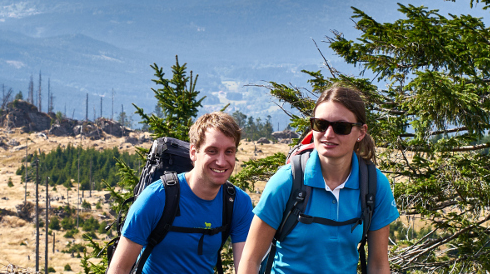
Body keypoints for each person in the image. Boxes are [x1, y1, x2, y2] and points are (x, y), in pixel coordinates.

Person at [236, 85, 399, 274]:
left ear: (361, 133)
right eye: (321, 124)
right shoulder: (287, 181)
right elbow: (250, 260)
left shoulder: (374, 186)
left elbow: (378, 265)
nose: (328, 134)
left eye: (341, 127)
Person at [109, 112, 255, 274]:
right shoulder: (156, 198)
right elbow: (119, 268)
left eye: (229, 152)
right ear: (193, 152)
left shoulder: (237, 202)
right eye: (212, 151)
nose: (221, 161)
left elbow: (246, 268)